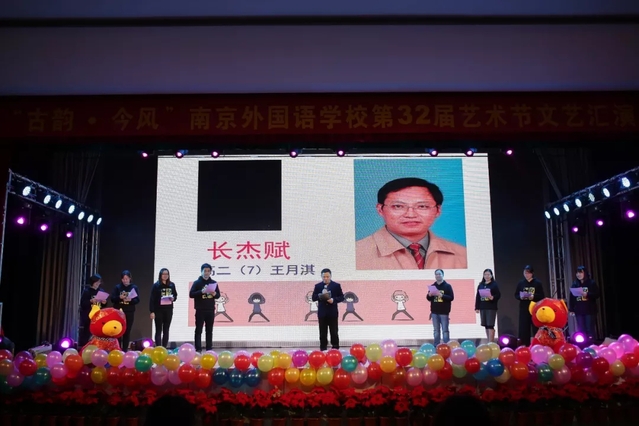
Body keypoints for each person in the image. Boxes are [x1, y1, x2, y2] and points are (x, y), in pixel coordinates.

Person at [356, 177, 467, 270]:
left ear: (438, 210)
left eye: (422, 206)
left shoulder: (463, 255)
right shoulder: (356, 254)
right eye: (398, 206)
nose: (410, 214)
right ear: (380, 209)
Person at [189, 263, 220, 352]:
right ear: (201, 271)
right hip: (200, 310)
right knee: (199, 330)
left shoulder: (213, 283)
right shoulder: (197, 283)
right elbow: (191, 294)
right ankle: (198, 349)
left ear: (210, 272)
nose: (206, 273)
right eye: (205, 271)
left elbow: (218, 296)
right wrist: (201, 292)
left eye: (208, 271)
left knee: (209, 330)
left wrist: (214, 294)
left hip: (210, 310)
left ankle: (209, 349)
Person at [312, 268, 345, 351]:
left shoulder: (336, 285)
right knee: (322, 332)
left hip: (332, 312)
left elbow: (341, 297)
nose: (326, 278)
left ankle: (335, 348)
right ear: (321, 277)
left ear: (330, 276)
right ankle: (323, 349)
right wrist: (320, 296)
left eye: (327, 277)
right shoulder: (318, 286)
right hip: (322, 313)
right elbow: (313, 297)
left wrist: (333, 300)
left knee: (334, 331)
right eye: (324, 277)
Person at [514, 265, 545, 346]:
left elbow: (542, 296)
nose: (526, 275)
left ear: (532, 273)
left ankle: (537, 344)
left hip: (534, 308)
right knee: (524, 327)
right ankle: (524, 344)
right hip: (524, 308)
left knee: (535, 327)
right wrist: (520, 297)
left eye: (528, 273)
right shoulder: (521, 283)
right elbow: (516, 294)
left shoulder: (537, 283)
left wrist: (533, 296)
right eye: (525, 273)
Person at [110, 270, 140, 351]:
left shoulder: (134, 287)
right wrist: (119, 298)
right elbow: (112, 299)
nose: (125, 281)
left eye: (127, 279)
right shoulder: (117, 287)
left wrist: (130, 300)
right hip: (119, 312)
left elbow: (137, 300)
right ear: (121, 279)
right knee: (119, 330)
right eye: (123, 279)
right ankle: (118, 349)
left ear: (130, 278)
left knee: (127, 331)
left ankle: (125, 349)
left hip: (129, 312)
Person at [568, 266, 600, 342]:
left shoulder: (591, 283)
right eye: (577, 273)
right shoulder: (575, 284)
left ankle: (591, 344)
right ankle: (583, 345)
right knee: (581, 330)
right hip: (579, 311)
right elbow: (571, 298)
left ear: (585, 273)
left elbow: (597, 294)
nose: (578, 274)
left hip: (589, 311)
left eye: (580, 272)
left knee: (589, 329)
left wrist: (587, 294)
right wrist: (571, 309)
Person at [149, 268, 178, 348]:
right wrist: (152, 311)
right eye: (163, 274)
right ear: (160, 275)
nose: (165, 276)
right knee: (158, 329)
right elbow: (152, 299)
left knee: (166, 329)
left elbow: (175, 295)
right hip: (158, 310)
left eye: (167, 274)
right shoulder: (156, 285)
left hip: (168, 309)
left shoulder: (171, 285)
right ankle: (158, 347)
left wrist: (173, 298)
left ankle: (164, 347)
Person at [79, 274, 108, 347]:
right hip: (88, 314)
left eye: (99, 282)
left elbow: (103, 305)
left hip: (98, 314)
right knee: (87, 331)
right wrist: (91, 301)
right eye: (96, 282)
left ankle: (98, 346)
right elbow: (83, 304)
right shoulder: (87, 291)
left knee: (98, 331)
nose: (98, 284)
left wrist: (104, 302)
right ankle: (83, 346)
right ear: (92, 282)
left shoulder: (101, 291)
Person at [426, 269, 454, 345]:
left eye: (439, 274)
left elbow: (451, 297)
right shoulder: (433, 286)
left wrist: (442, 295)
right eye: (436, 274)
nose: (438, 276)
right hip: (434, 312)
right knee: (436, 331)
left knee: (445, 330)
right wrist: (429, 295)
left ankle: (447, 346)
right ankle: (436, 345)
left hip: (444, 312)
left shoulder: (447, 286)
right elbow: (428, 298)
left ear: (443, 275)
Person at [474, 268, 501, 343]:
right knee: (486, 325)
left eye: (488, 274)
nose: (487, 276)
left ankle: (491, 342)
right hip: (483, 307)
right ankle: (489, 341)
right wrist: (477, 307)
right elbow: (478, 297)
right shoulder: (481, 285)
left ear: (491, 275)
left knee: (490, 325)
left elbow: (498, 295)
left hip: (491, 307)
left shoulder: (494, 285)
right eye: (485, 274)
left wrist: (493, 297)